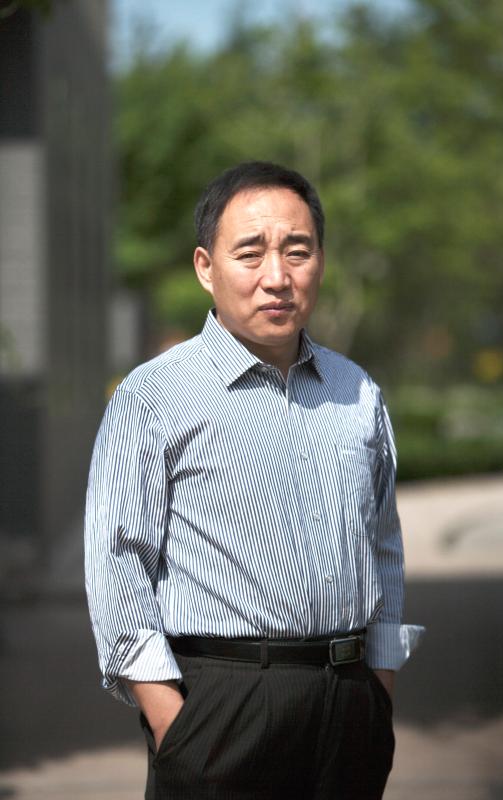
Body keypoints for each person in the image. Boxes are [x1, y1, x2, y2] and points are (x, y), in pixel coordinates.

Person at [85, 161, 423, 800]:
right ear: (205, 267)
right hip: (221, 709)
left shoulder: (357, 391)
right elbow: (117, 566)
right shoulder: (154, 397)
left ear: (320, 260)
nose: (277, 276)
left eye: (298, 251)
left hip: (349, 706)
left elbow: (382, 546)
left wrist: (378, 691)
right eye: (250, 253)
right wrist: (176, 726)